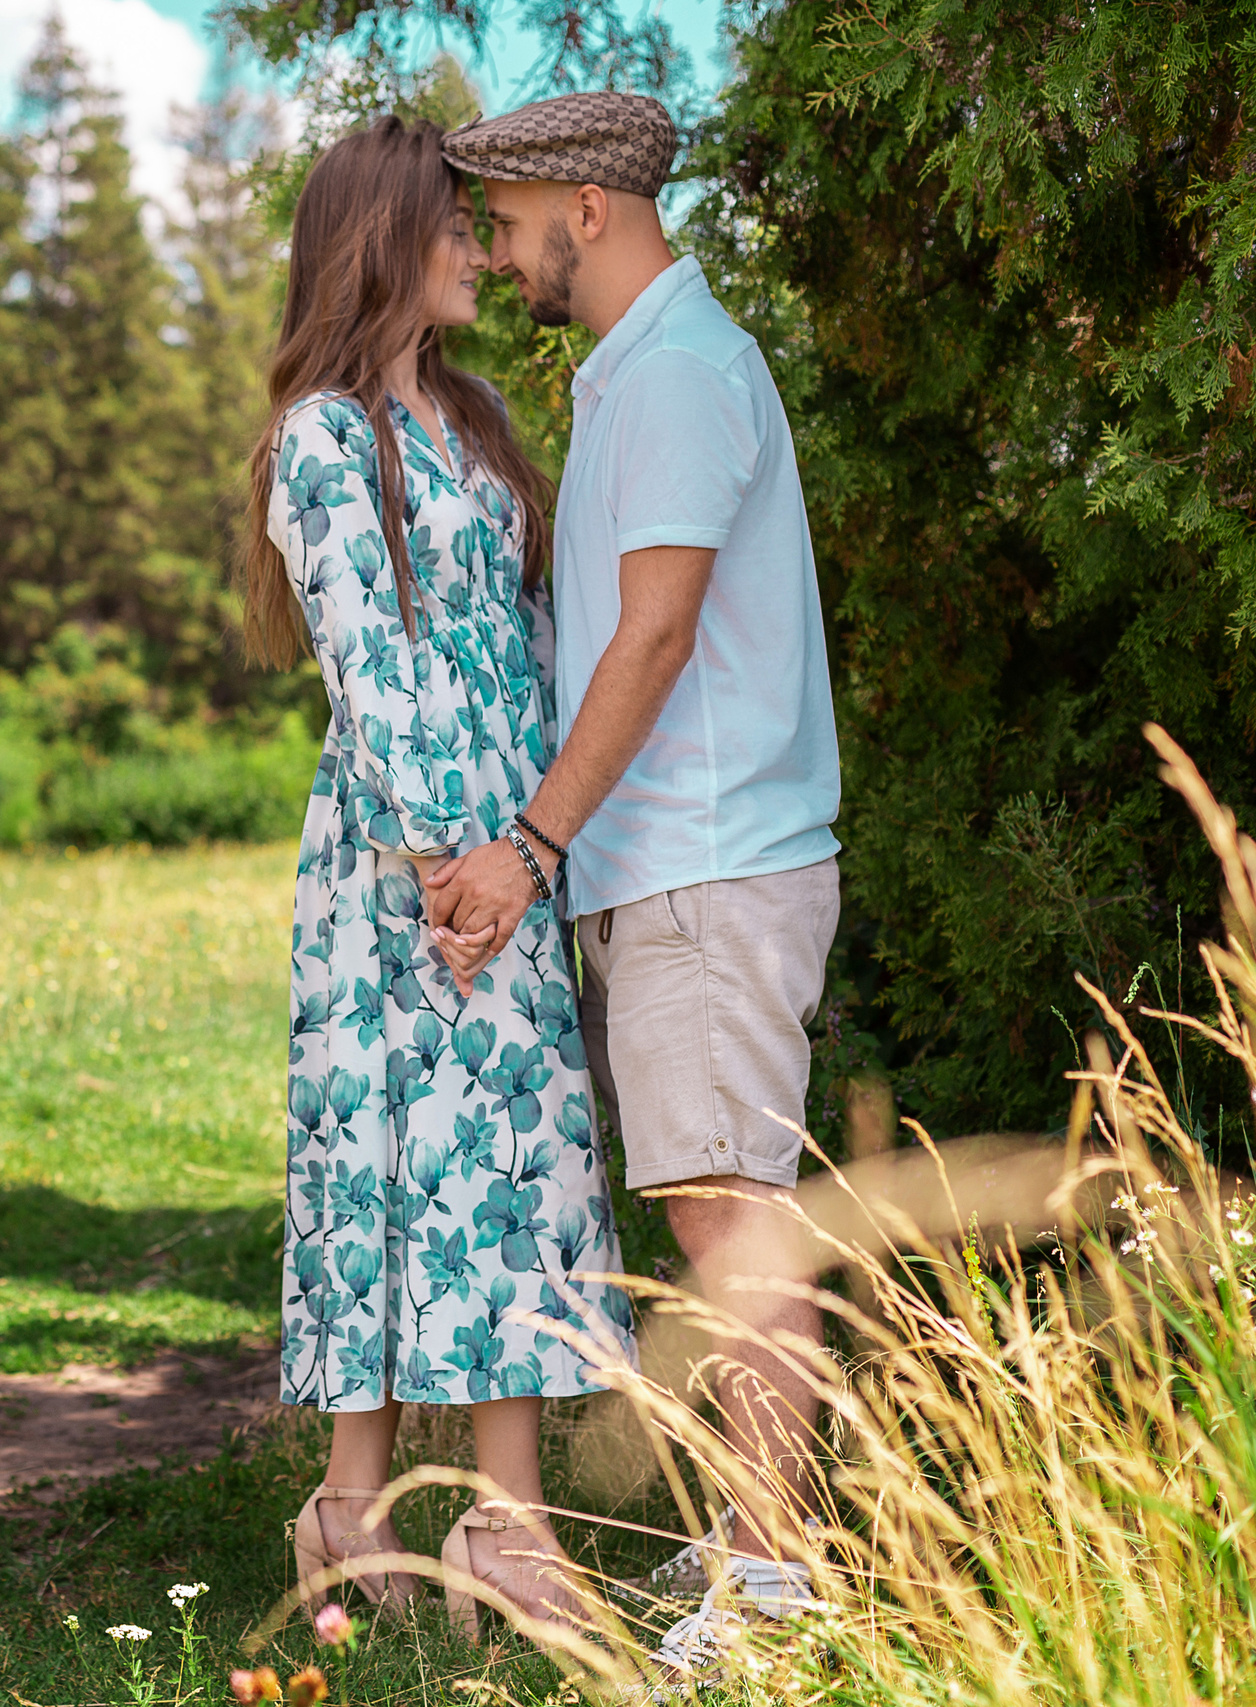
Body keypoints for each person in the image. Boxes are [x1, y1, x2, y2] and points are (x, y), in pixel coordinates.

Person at [421, 91, 845, 1682]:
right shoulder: (636, 378)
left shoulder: (672, 375)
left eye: (506, 216)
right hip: (679, 880)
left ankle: (776, 1588)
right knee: (717, 1215)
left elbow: (653, 641)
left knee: (738, 1230)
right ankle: (754, 1554)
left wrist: (531, 847)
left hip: (712, 875)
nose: (491, 247)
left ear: (584, 212)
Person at [245, 114, 636, 1644]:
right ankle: (354, 1510)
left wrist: (529, 851)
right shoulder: (322, 434)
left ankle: (502, 1520)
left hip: (506, 861)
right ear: (384, 235)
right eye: (456, 225)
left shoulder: (474, 423)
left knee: (515, 1167)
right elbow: (370, 658)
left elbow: (529, 651)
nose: (483, 246)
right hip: (406, 867)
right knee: (386, 1172)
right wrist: (440, 866)